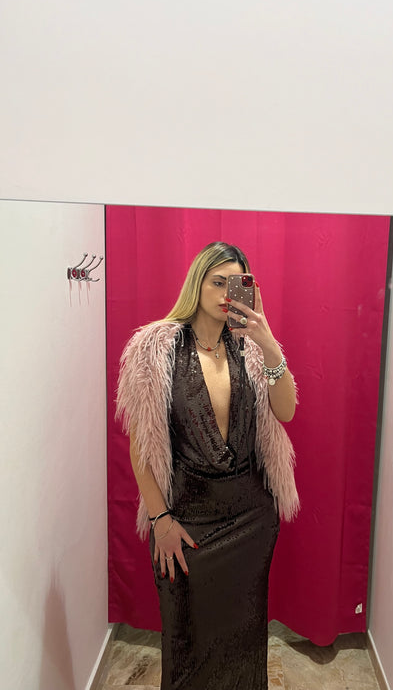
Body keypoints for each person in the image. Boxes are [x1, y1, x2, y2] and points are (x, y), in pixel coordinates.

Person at [116, 242, 299, 690]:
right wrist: (159, 518)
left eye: (236, 285)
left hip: (251, 519)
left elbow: (287, 411)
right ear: (197, 283)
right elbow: (143, 444)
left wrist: (268, 344)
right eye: (217, 282)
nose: (225, 294)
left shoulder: (251, 348)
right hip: (186, 520)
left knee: (242, 642)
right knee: (186, 644)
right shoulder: (155, 348)